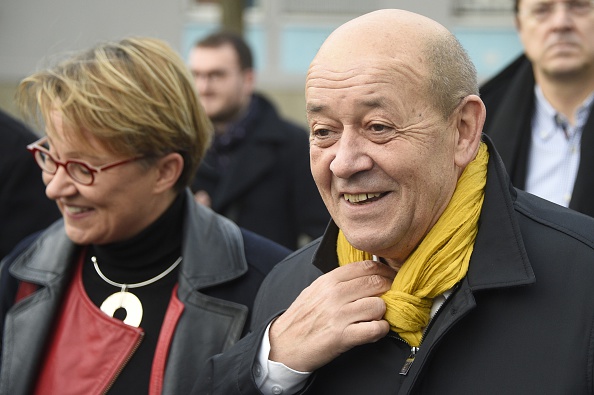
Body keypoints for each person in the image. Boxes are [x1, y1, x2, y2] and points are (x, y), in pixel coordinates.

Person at [192, 9, 594, 395]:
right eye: (324, 131)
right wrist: (270, 363)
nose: (345, 162)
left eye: (378, 127)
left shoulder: (582, 278)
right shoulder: (289, 291)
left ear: (463, 130)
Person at [0, 37, 291, 395]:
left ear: (164, 171)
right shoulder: (22, 272)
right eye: (49, 157)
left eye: (82, 168)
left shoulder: (269, 287)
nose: (55, 188)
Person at [188, 31, 329, 250]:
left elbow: (322, 235)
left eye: (216, 75)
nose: (203, 88)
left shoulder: (292, 145)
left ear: (248, 80)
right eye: (197, 75)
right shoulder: (181, 147)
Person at [480, 0, 594, 217]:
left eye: (578, 5)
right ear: (519, 25)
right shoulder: (480, 120)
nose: (561, 23)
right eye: (542, 10)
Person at [0, 109, 61, 261]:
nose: (53, 190)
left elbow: (30, 262)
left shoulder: (15, 153)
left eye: (83, 170)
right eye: (52, 160)